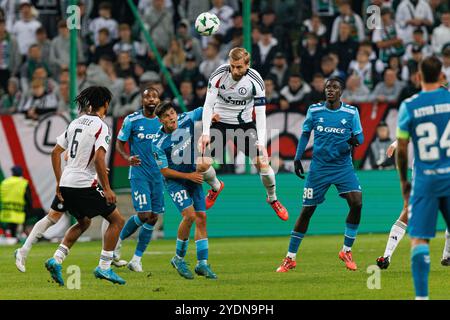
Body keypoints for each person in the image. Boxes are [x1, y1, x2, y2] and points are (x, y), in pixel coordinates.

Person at [276, 77, 364, 272]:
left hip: (343, 167)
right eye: (327, 87)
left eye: (334, 87)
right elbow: (306, 133)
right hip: (319, 169)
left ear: (341, 92)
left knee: (357, 202)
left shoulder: (351, 112)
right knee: (307, 211)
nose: (330, 90)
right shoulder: (315, 110)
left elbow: (360, 137)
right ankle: (290, 257)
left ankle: (346, 250)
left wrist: (353, 140)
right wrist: (297, 158)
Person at [44, 86, 126, 286]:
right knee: (117, 221)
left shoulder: (75, 123)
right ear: (105, 104)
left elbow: (55, 153)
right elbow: (99, 158)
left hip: (66, 182)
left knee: (84, 222)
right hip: (83, 183)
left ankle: (56, 259)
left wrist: (58, 182)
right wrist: (106, 188)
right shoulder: (101, 125)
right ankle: (104, 267)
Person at [198, 47, 289, 221]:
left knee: (263, 163)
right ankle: (216, 187)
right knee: (201, 165)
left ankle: (273, 199)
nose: (235, 70)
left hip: (244, 125)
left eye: (239, 67)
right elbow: (208, 105)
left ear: (247, 65)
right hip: (220, 122)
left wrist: (261, 143)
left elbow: (261, 113)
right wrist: (205, 132)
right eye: (232, 66)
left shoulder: (255, 80)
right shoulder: (218, 75)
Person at [395, 56, 450, 299]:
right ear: (441, 76)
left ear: (419, 76)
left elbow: (403, 147)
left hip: (425, 180)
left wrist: (404, 182)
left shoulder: (409, 105)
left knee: (419, 239)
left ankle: (422, 297)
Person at [153, 102, 223, 280]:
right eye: (167, 116)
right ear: (161, 120)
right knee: (190, 216)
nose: (172, 118)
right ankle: (178, 258)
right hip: (176, 181)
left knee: (202, 217)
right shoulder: (158, 143)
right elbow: (164, 171)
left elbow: (204, 109)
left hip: (193, 175)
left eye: (172, 113)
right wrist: (189, 177)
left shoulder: (185, 118)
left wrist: (211, 117)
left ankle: (202, 264)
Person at [111, 86, 165, 272]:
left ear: (158, 100)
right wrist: (127, 158)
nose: (151, 99)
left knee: (153, 218)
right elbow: (119, 142)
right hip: (139, 174)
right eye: (147, 97)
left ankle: (136, 260)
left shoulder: (163, 121)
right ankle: (116, 245)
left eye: (154, 96)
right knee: (144, 214)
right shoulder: (132, 120)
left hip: (158, 176)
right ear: (142, 101)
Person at [376, 140, 450, 269]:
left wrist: (395, 144)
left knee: (408, 210)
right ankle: (447, 255)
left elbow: (408, 131)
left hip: (423, 168)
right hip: (439, 167)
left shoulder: (421, 120)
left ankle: (387, 255)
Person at [0, 165, 32, 241]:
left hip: (5, 212)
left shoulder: (4, 182)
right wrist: (30, 209)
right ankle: (25, 235)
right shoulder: (23, 183)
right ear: (21, 173)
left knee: (11, 229)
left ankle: (9, 235)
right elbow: (28, 199)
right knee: (39, 212)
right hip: (19, 212)